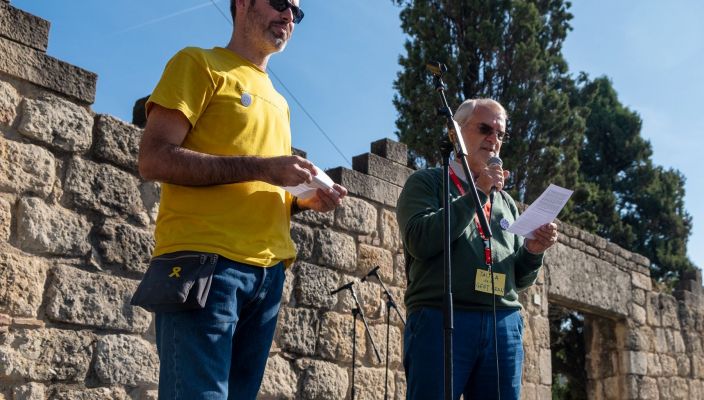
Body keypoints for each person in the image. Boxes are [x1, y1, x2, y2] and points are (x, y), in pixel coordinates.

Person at [137, 0, 347, 398]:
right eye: (281, 3)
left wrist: (302, 200)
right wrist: (264, 168)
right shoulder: (197, 63)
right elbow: (154, 158)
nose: (289, 16)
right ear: (243, 3)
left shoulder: (281, 103)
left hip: (268, 275)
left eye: (297, 13)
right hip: (205, 264)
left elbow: (260, 183)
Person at [397, 98, 559, 399]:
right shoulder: (427, 183)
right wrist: (478, 191)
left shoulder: (507, 203)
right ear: (456, 132)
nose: (494, 140)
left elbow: (518, 280)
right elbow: (420, 240)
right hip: (441, 317)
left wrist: (533, 251)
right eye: (485, 128)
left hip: (503, 322)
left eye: (500, 134)